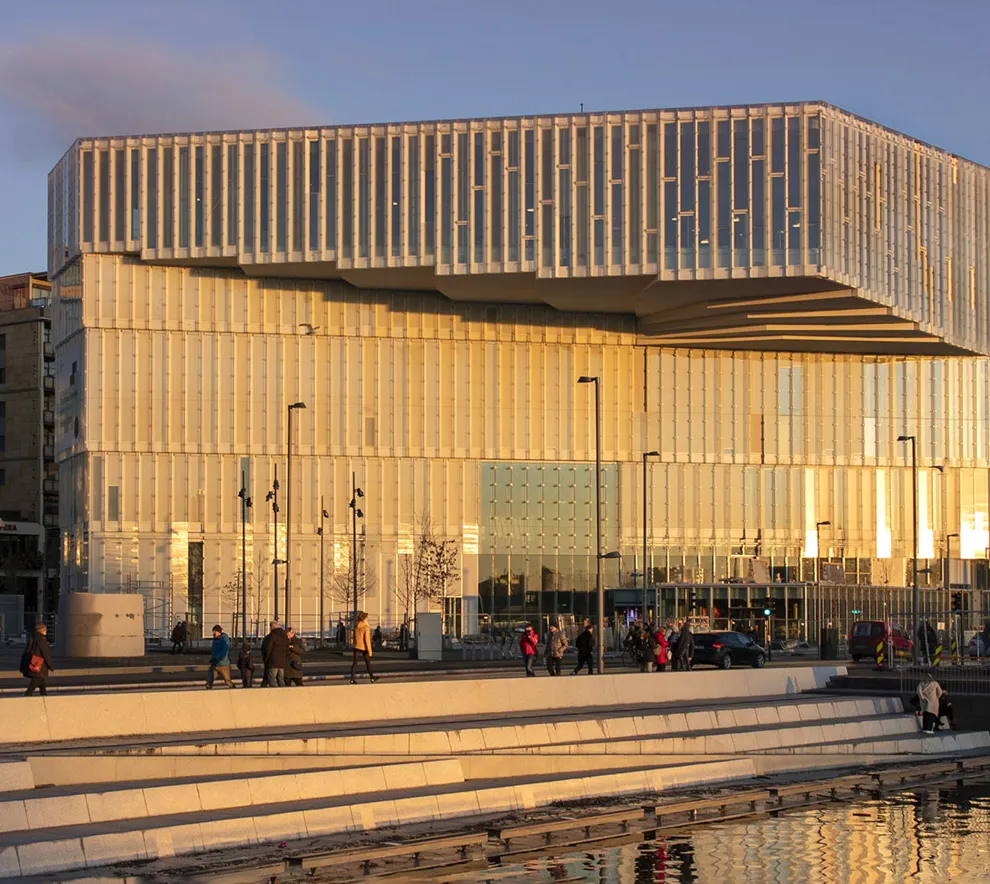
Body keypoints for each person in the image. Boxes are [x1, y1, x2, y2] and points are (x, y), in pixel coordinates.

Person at [20, 623, 55, 696]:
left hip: (33, 663)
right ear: (42, 630)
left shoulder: (33, 637)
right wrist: (50, 666)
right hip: (40, 665)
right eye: (45, 630)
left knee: (41, 684)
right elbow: (46, 653)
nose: (46, 632)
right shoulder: (41, 639)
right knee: (34, 683)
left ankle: (44, 696)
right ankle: (27, 696)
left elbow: (26, 651)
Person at [350, 611, 379, 683]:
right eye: (367, 618)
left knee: (355, 663)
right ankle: (372, 677)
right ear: (365, 618)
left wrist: (354, 643)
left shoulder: (356, 625)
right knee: (368, 663)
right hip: (364, 647)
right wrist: (370, 651)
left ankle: (352, 679)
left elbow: (353, 636)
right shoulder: (366, 627)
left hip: (357, 646)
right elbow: (367, 640)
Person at [263, 620, 289, 687]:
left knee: (272, 680)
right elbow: (287, 649)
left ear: (272, 627)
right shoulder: (284, 636)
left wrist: (266, 659)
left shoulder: (271, 636)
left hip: (273, 661)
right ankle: (283, 693)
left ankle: (275, 694)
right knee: (281, 679)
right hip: (282, 662)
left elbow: (268, 649)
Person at [206, 625, 234, 689]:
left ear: (219, 632)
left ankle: (233, 690)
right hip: (215, 664)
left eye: (214, 631)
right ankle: (207, 691)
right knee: (209, 680)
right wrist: (213, 659)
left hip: (223, 664)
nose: (213, 633)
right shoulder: (215, 640)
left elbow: (224, 651)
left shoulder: (224, 639)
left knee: (227, 680)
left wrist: (217, 658)